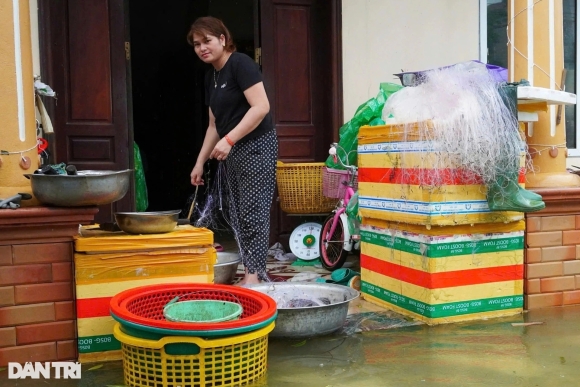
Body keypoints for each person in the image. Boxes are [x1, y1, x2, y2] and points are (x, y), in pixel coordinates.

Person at [187, 16, 278, 286]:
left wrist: (230, 139)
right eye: (196, 44)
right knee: (238, 213)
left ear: (223, 39)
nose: (202, 48)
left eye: (207, 41)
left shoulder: (240, 64)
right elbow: (213, 124)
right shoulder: (211, 76)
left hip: (256, 145)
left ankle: (255, 275)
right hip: (233, 148)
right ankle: (251, 271)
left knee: (253, 211)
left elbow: (261, 107)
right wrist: (199, 162)